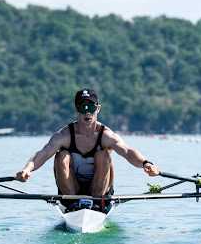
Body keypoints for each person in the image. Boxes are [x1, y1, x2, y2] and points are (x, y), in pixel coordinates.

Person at [15, 89, 160, 210]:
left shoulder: (106, 135)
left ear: (98, 109)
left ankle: (97, 203)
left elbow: (127, 152)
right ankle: (72, 204)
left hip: (100, 190)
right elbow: (44, 153)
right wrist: (27, 169)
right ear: (75, 110)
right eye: (82, 108)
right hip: (72, 189)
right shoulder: (64, 135)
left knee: (103, 155)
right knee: (61, 156)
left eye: (91, 108)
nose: (87, 113)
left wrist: (146, 164)